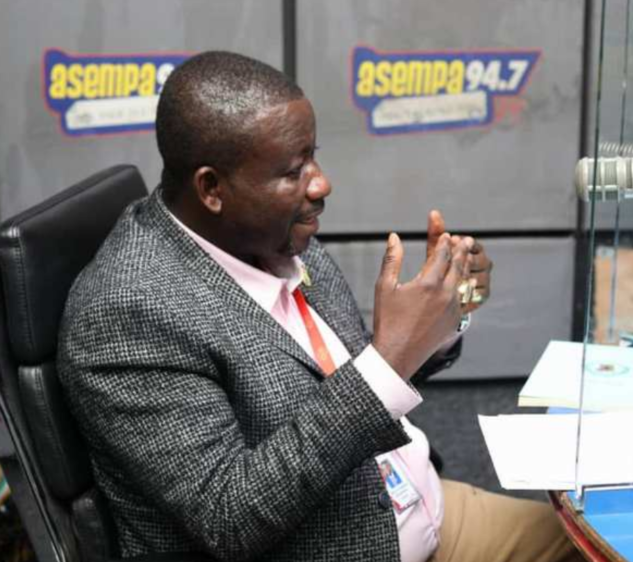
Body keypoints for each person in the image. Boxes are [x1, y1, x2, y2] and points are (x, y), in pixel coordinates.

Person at [57, 51, 579, 562]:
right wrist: (388, 359)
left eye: (313, 155)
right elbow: (230, 518)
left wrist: (436, 319)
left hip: (412, 502)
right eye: (293, 170)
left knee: (605, 545)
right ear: (212, 188)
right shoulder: (128, 312)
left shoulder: (269, 233)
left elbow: (352, 384)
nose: (321, 182)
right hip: (349, 541)